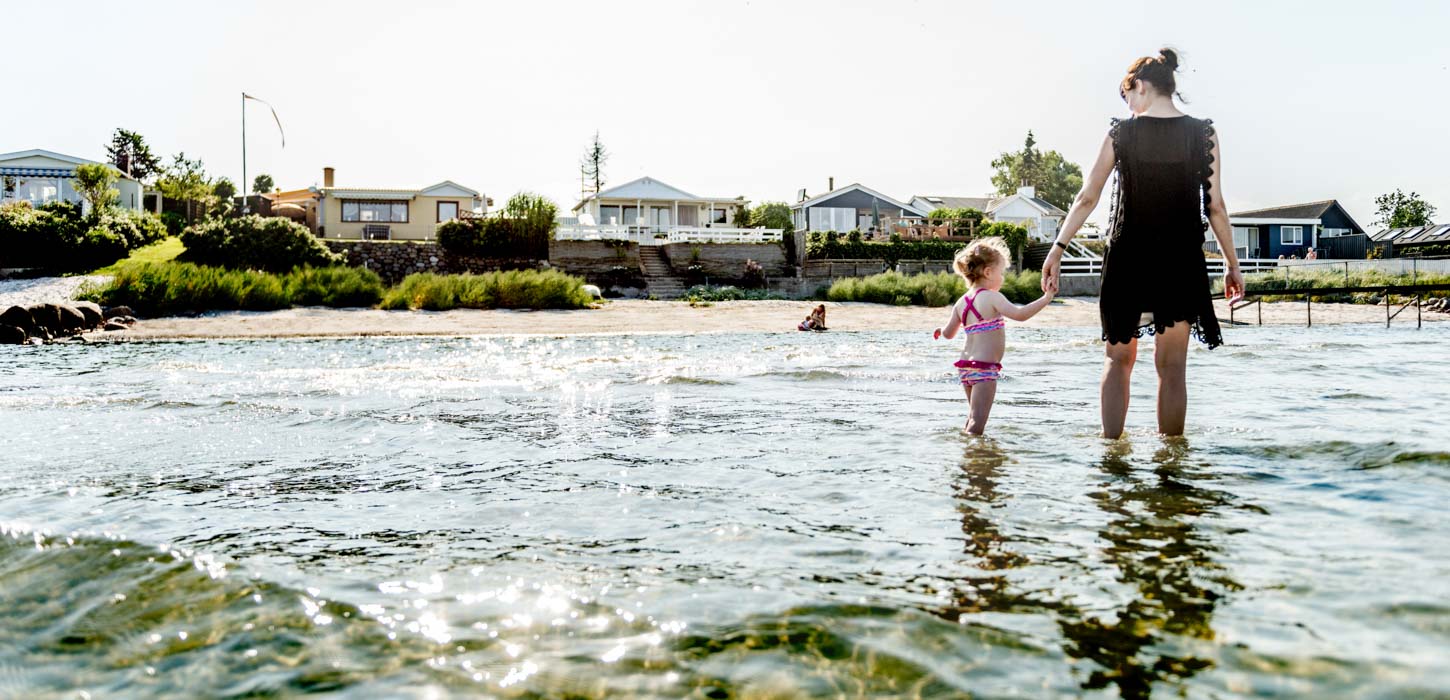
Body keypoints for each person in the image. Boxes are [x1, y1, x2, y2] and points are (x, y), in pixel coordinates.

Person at [1041, 47, 1245, 439]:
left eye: (1127, 96)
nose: (1129, 107)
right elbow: (1216, 206)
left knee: (1117, 361)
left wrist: (1058, 248)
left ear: (1140, 86)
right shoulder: (1203, 133)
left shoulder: (1122, 133)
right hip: (1180, 260)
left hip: (1127, 259)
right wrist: (1231, 265)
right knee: (1173, 369)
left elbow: (1087, 197)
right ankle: (1171, 464)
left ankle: (1113, 458)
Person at [935, 237, 1057, 435]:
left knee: (973, 417)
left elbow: (948, 334)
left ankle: (968, 449)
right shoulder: (992, 297)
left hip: (965, 367)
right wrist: (1046, 298)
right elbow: (1020, 314)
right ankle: (974, 452)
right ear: (988, 272)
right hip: (984, 368)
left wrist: (940, 330)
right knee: (977, 423)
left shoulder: (961, 302)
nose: (1003, 277)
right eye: (1001, 272)